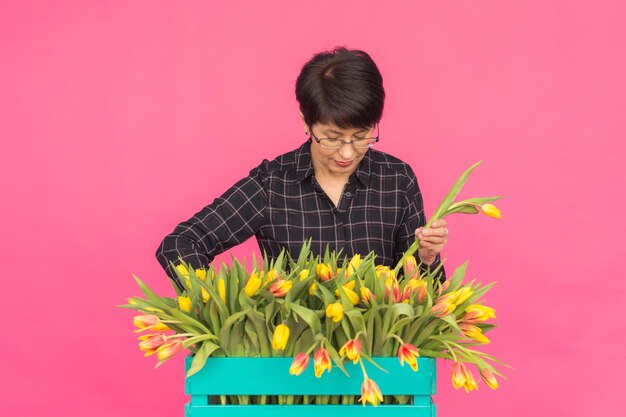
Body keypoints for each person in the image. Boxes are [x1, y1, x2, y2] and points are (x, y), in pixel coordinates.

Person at [156, 47, 448, 289]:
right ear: (306, 122)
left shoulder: (396, 179)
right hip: (292, 355)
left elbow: (421, 300)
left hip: (376, 356)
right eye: (332, 138)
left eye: (361, 137)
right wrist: (219, 309)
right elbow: (180, 244)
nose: (347, 152)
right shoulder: (271, 185)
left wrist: (426, 257)